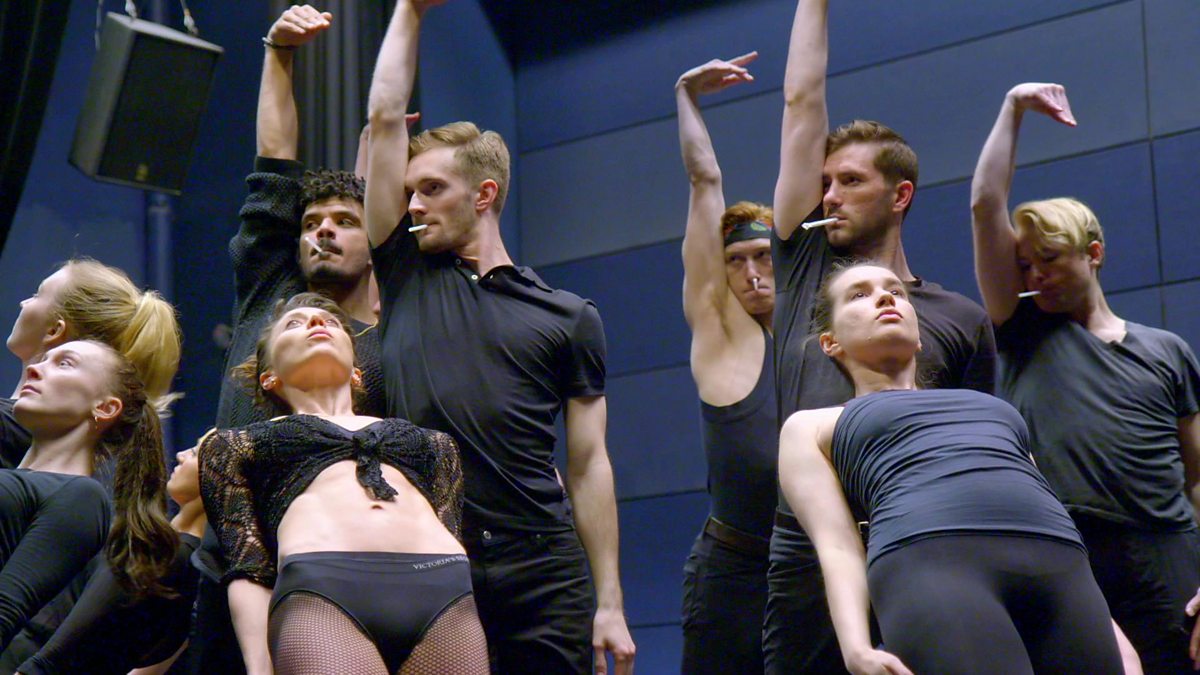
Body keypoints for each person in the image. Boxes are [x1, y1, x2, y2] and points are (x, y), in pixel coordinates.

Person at [363, 2, 635, 672]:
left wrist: (609, 601)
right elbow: (385, 118)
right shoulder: (406, 270)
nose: (413, 204)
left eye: (431, 188)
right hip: (434, 556)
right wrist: (408, 13)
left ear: (482, 195)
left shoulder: (568, 316)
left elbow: (589, 464)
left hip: (544, 565)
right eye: (409, 191)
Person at [763, 2, 996, 671]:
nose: (829, 196)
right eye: (824, 183)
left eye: (850, 181)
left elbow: (982, 445)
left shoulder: (959, 317)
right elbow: (801, 100)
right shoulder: (806, 266)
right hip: (808, 552)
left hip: (924, 542)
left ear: (900, 196)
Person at [777, 262, 1124, 674]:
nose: (885, 298)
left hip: (1061, 569)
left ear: (920, 336)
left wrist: (1116, 636)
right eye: (859, 295)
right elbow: (836, 545)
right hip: (935, 570)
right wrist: (855, 647)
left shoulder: (994, 409)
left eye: (896, 291)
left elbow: (1046, 502)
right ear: (830, 342)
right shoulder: (812, 426)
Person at [186, 7, 392, 673]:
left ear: (376, 238)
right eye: (310, 223)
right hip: (228, 555)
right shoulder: (270, 296)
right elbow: (273, 168)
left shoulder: (391, 339)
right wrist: (278, 52)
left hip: (338, 564)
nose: (321, 231)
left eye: (343, 221)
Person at [971, 81, 1200, 674]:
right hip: (1067, 551)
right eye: (1026, 265)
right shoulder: (1021, 329)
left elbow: (1198, 478)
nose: (1035, 276)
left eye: (1049, 259)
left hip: (1164, 551)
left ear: (1092, 254)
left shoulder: (1166, 349)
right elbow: (985, 205)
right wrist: (1012, 107)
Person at [198, 292, 487, 674]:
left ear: (356, 372)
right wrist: (259, 666)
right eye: (294, 324)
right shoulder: (238, 445)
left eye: (332, 322)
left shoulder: (434, 443)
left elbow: (451, 527)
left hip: (444, 592)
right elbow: (248, 566)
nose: (317, 323)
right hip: (324, 593)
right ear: (268, 377)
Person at [673, 53, 777, 674]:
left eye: (764, 255)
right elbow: (704, 182)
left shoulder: (824, 339)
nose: (752, 273)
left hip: (814, 562)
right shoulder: (723, 336)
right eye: (736, 260)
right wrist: (687, 97)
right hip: (733, 572)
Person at [0, 340, 178, 655]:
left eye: (64, 363)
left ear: (105, 408)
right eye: (43, 359)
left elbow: (5, 609)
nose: (34, 369)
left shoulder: (80, 496)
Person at [11, 441, 206, 675]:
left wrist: (32, 669)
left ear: (217, 475)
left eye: (194, 453)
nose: (181, 454)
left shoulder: (170, 553)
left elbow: (74, 636)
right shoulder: (191, 562)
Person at [1, 259, 181, 465]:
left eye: (37, 295)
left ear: (54, 330)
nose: (23, 303)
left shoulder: (6, 428)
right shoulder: (79, 456)